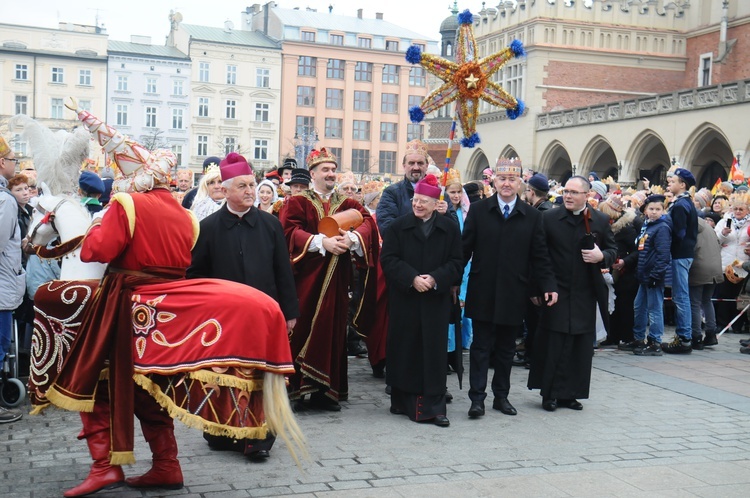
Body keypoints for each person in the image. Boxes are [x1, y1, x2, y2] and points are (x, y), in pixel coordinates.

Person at [187, 152, 299, 461]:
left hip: (265, 317)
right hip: (224, 321)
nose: (251, 191)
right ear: (224, 190)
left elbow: (283, 270)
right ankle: (221, 431)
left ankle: (259, 437)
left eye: (252, 184)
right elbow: (195, 275)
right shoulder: (207, 228)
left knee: (262, 377)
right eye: (243, 186)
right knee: (224, 376)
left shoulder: (270, 224)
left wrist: (290, 312)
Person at [279, 148, 377, 411]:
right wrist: (321, 242)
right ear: (313, 174)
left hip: (336, 281)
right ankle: (298, 390)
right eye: (326, 169)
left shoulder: (348, 203)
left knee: (334, 331)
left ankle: (327, 393)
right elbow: (288, 231)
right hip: (306, 282)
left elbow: (368, 223)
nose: (331, 173)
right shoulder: (297, 202)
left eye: (333, 169)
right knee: (301, 328)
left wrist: (351, 239)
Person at [463, 160, 558, 418]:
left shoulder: (532, 216)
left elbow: (540, 256)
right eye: (502, 178)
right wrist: (451, 281)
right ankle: (477, 399)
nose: (507, 183)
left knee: (506, 348)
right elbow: (463, 250)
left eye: (512, 179)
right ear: (493, 181)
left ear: (520, 184)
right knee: (480, 347)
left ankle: (501, 397)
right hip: (483, 288)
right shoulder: (480, 211)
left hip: (514, 291)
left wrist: (548, 284)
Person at [380, 174, 463, 427]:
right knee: (405, 348)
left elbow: (457, 262)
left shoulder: (448, 227)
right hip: (406, 299)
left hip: (434, 301)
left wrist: (436, 278)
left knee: (433, 352)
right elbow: (389, 259)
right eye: (415, 200)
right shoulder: (398, 226)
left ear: (435, 202)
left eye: (424, 201)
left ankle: (434, 407)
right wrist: (412, 278)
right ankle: (402, 400)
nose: (417, 205)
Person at [528, 176, 617, 412]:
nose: (568, 196)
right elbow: (538, 255)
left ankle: (571, 393)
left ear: (586, 196)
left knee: (580, 345)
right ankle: (550, 393)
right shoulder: (548, 218)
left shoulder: (599, 219)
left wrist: (602, 257)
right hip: (555, 289)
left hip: (585, 292)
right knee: (554, 342)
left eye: (574, 192)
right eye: (566, 191)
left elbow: (612, 249)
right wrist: (540, 287)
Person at [376, 139, 454, 235]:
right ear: (404, 166)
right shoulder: (391, 193)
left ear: (426, 165)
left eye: (420, 163)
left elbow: (455, 230)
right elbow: (386, 228)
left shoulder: (441, 194)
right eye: (411, 163)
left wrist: (446, 214)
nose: (416, 168)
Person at [0, 137, 25, 425]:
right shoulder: (5, 200)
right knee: (1, 342)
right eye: (14, 159)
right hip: (3, 284)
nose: (16, 164)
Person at [629, 195, 672, 356]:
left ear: (663, 210)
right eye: (651, 209)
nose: (654, 212)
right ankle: (639, 338)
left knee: (654, 309)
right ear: (646, 210)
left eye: (658, 209)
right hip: (644, 274)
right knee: (639, 306)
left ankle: (655, 341)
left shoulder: (662, 228)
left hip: (653, 275)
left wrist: (655, 275)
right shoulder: (647, 226)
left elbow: (663, 255)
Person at [662, 168, 698, 353]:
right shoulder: (683, 203)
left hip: (680, 255)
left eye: (673, 181)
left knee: (680, 296)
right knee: (681, 295)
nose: (669, 183)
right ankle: (685, 336)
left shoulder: (681, 205)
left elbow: (680, 233)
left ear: (682, 184)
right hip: (683, 254)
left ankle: (684, 338)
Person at [713, 192, 750, 335]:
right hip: (726, 264)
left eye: (741, 209)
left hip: (743, 264)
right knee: (723, 294)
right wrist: (723, 234)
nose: (738, 212)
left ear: (747, 210)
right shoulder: (724, 221)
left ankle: (737, 324)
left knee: (739, 296)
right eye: (736, 209)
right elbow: (716, 240)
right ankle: (722, 323)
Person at [689, 215, 724, 349]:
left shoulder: (691, 227)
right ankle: (711, 334)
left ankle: (696, 336)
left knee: (695, 303)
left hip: (699, 267)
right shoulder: (708, 227)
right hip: (714, 268)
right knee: (707, 301)